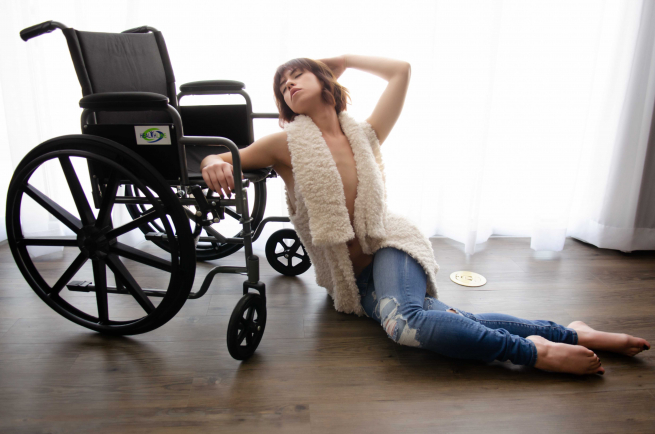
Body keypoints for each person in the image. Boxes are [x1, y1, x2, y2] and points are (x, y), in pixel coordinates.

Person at [199, 54, 650, 376]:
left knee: (406, 324)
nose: (289, 86)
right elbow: (226, 157)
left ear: (325, 80)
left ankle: (534, 353)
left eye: (298, 76)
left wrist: (344, 59)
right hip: (352, 280)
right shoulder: (286, 144)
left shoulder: (367, 133)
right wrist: (211, 163)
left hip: (390, 245)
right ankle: (570, 333)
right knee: (438, 315)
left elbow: (402, 70)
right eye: (282, 86)